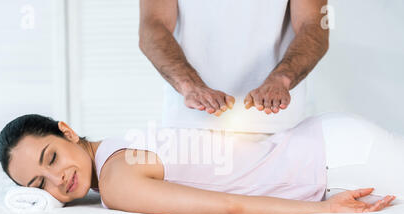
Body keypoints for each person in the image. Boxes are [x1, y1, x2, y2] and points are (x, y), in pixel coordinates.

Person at [0, 112, 402, 214]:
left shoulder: (117, 179)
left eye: (51, 158)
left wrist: (325, 210)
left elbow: (230, 206)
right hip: (328, 139)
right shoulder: (117, 147)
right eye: (38, 185)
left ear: (66, 131)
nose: (58, 179)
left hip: (337, 160)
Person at [139, 0, 329, 134]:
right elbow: (153, 25)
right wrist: (189, 85)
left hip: (279, 126)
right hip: (188, 123)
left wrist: (282, 79)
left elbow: (314, 26)